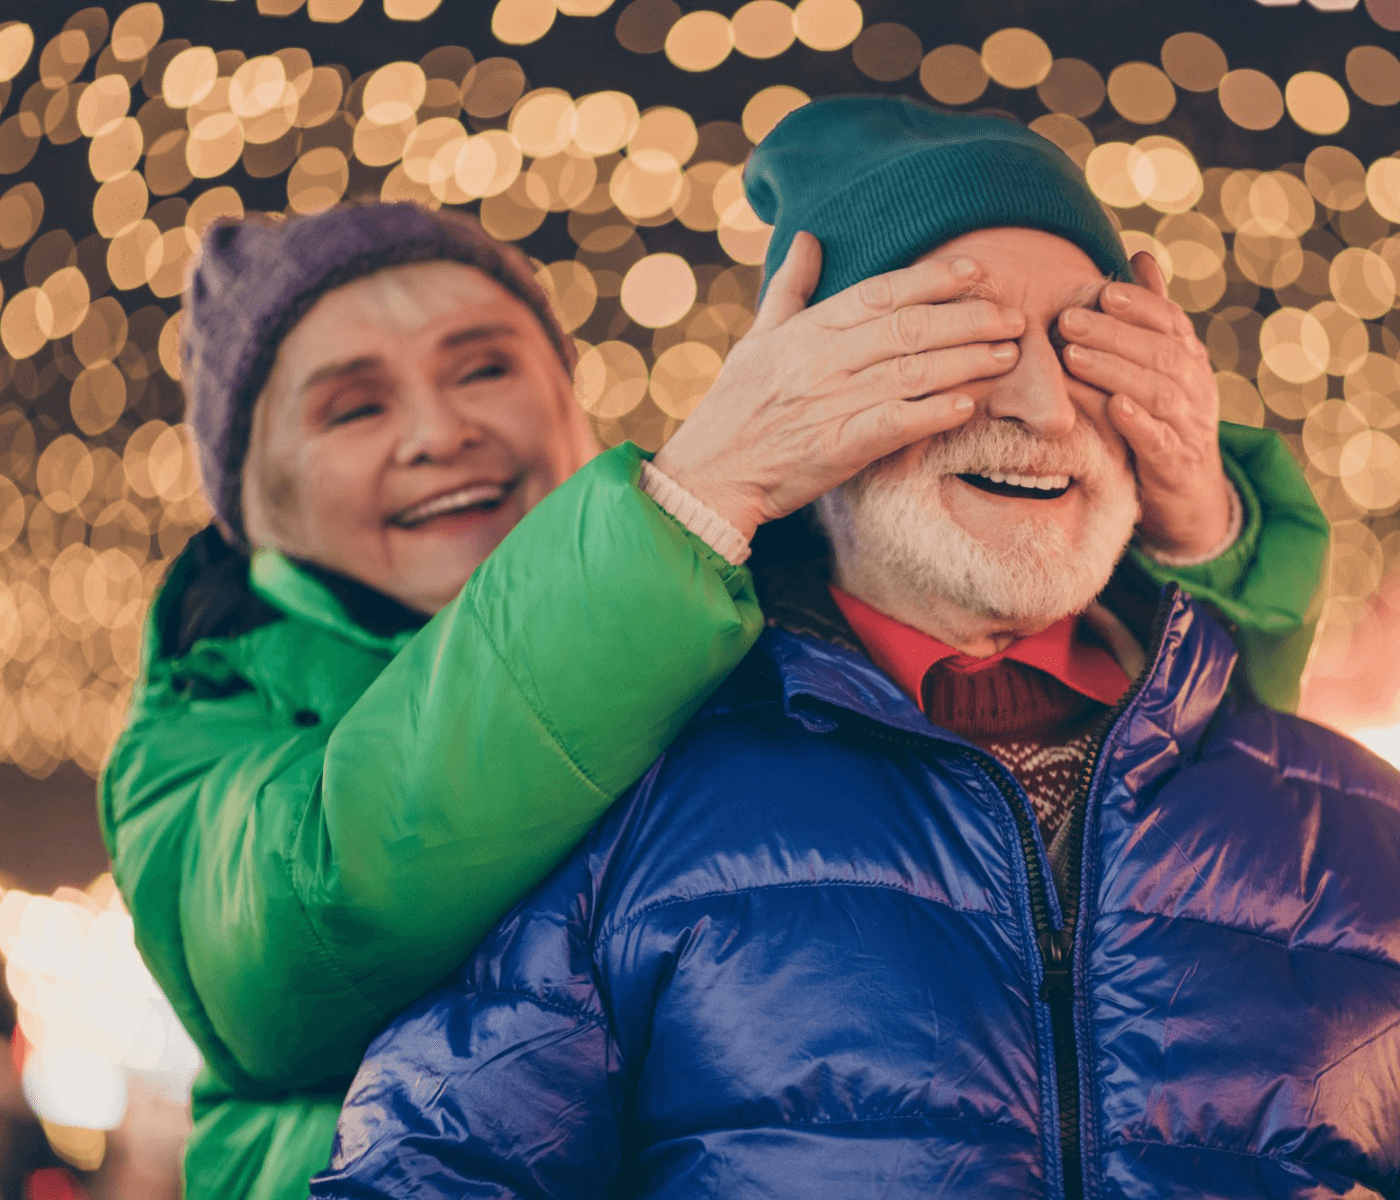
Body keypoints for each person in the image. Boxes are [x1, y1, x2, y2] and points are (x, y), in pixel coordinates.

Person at [106, 113, 1321, 1200]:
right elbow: (311, 920)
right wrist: (699, 492)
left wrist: (1203, 539)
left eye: (485, 367)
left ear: (571, 404)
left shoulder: (682, 644)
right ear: (247, 502)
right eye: (351, 407)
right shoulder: (201, 727)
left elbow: (1205, 836)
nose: (440, 433)